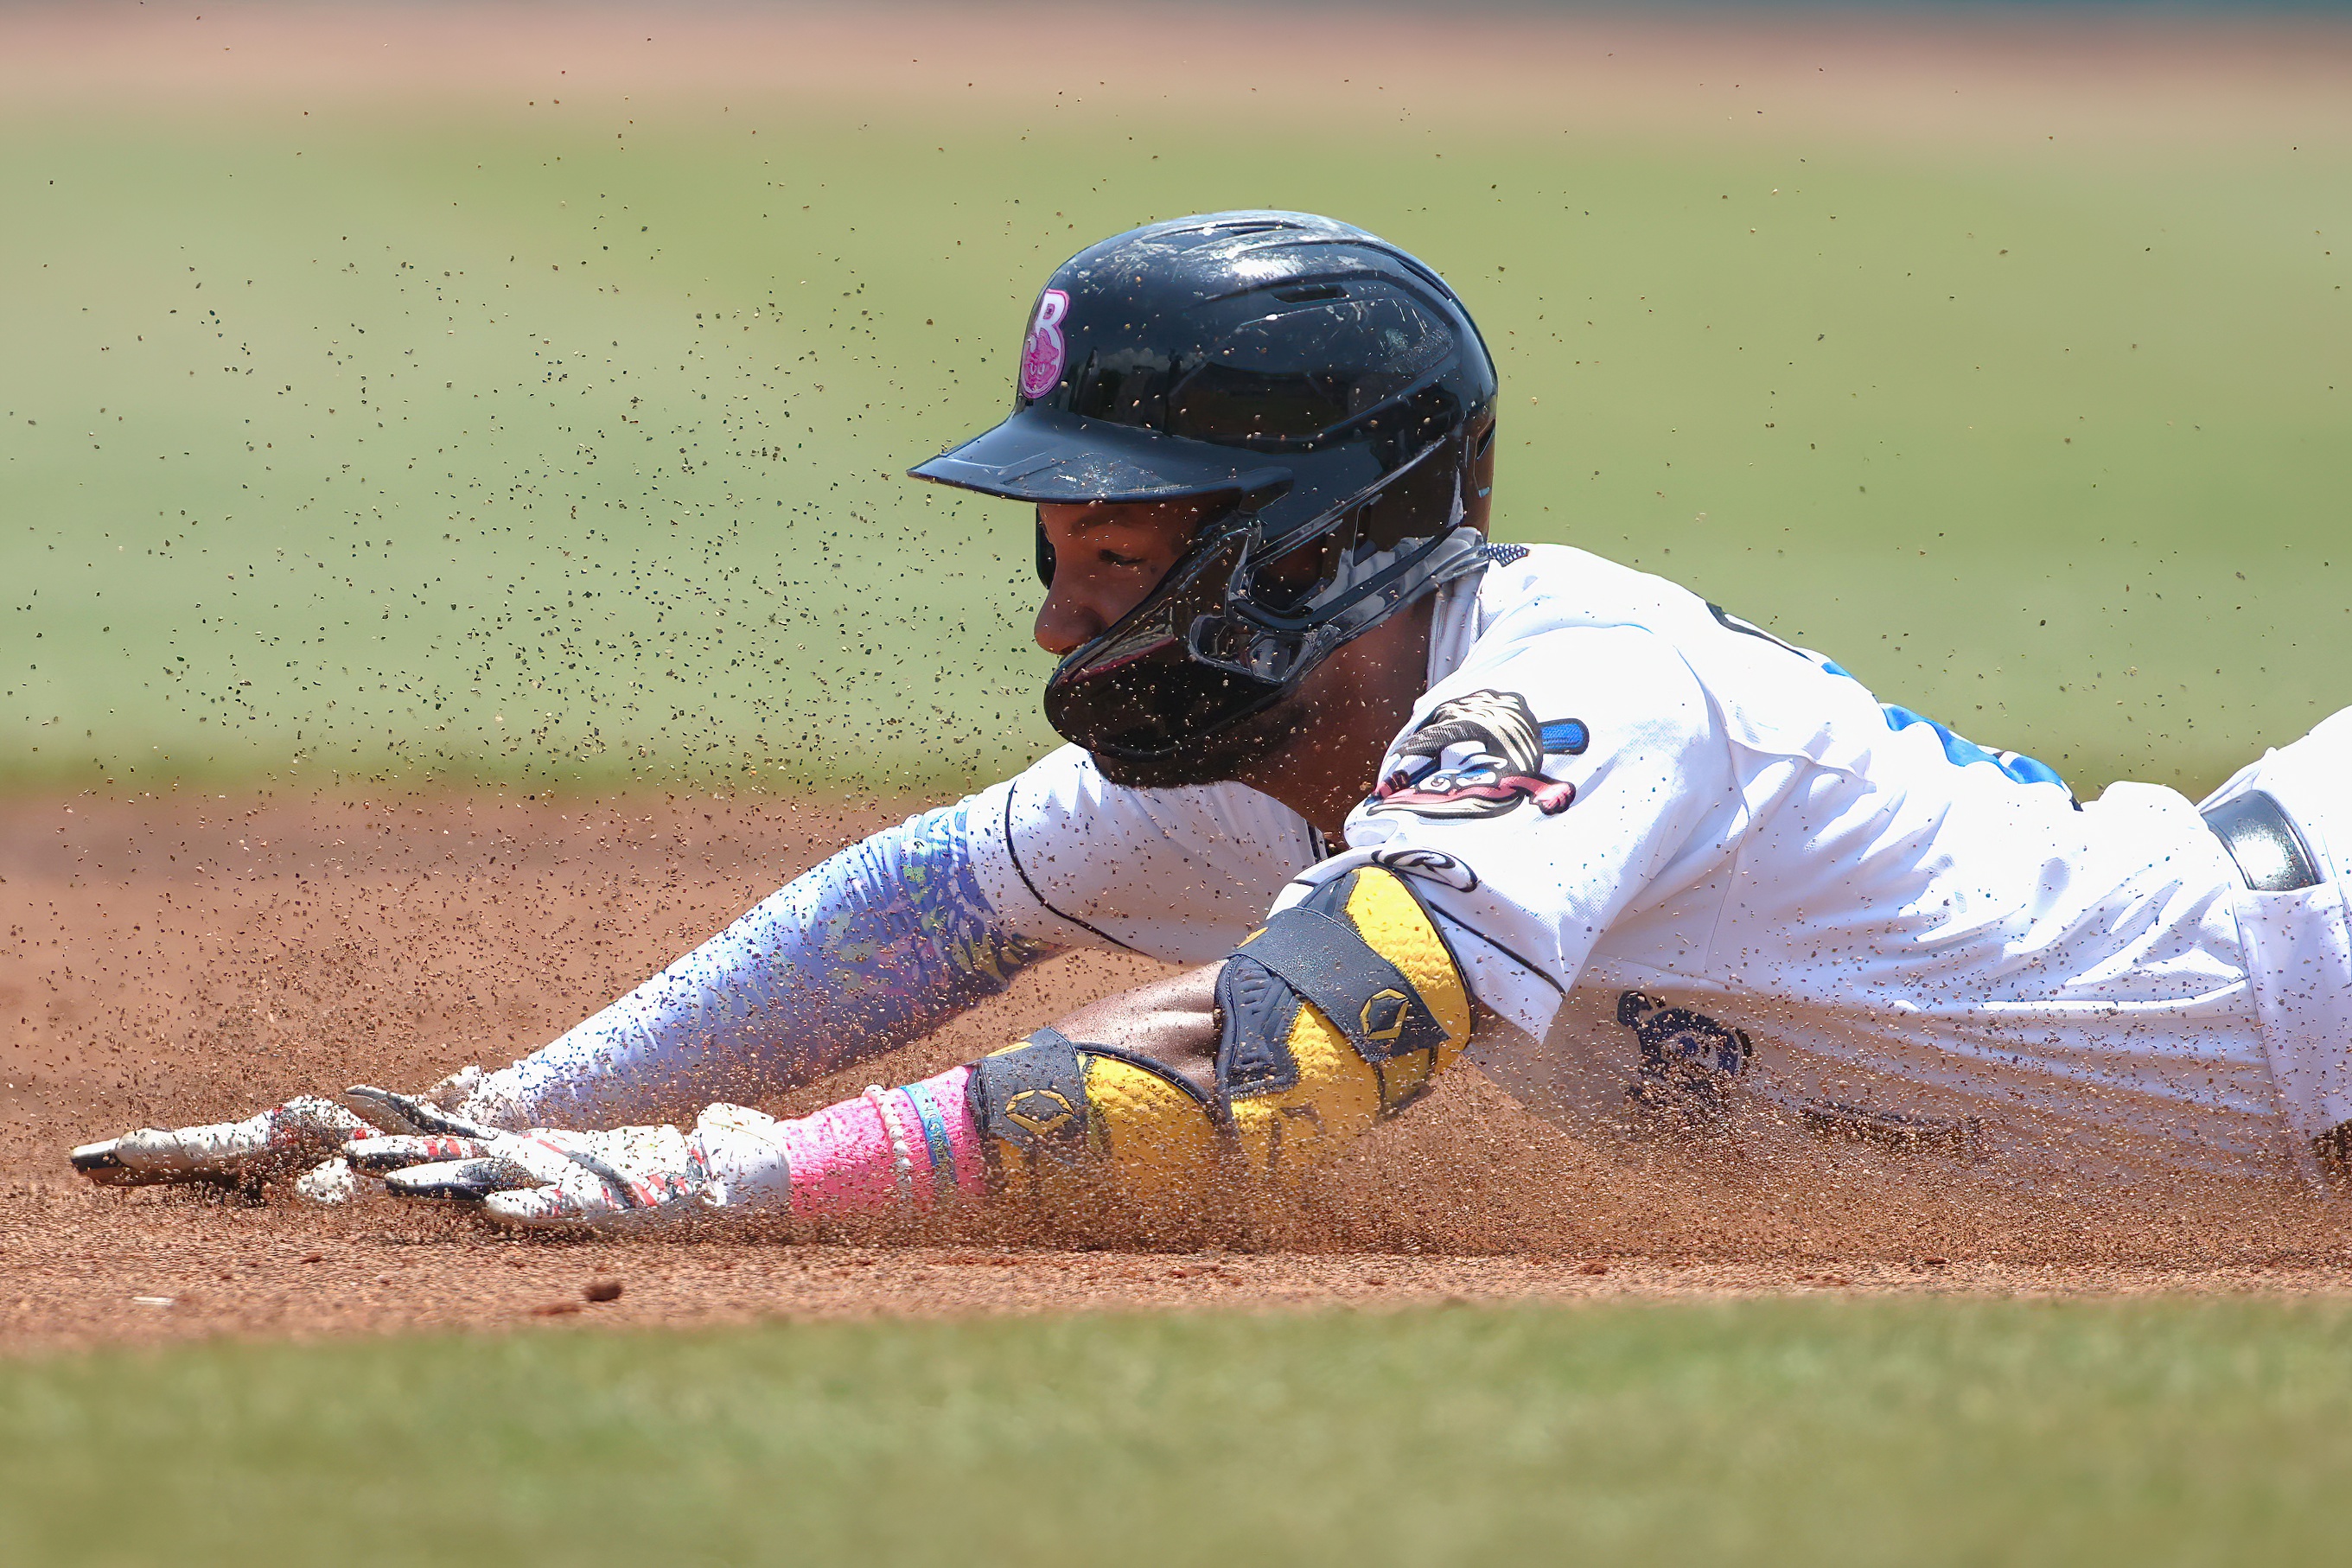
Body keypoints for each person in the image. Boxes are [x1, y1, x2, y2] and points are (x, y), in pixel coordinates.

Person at [70, 210, 2352, 1231]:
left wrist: (728, 1178)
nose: (1068, 610)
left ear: (1328, 534)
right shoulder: (1283, 772)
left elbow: (1266, 1078)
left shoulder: (1562, 708)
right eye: (1057, 544)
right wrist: (500, 1115)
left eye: (1124, 540)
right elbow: (918, 911)